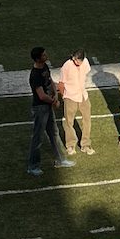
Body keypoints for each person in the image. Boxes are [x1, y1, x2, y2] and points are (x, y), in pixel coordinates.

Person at [28, 46, 74, 176]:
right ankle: (33, 165)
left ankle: (59, 160)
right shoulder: (35, 75)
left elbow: (50, 81)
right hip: (40, 108)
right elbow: (41, 95)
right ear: (37, 59)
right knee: (37, 137)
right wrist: (54, 101)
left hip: (47, 105)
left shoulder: (44, 67)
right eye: (43, 55)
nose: (46, 55)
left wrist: (56, 94)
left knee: (54, 132)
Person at [56, 47, 94, 155]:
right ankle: (70, 145)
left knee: (87, 121)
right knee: (69, 123)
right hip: (71, 97)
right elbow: (60, 84)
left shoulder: (85, 62)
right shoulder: (66, 67)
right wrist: (65, 97)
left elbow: (84, 73)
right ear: (73, 58)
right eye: (77, 61)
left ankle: (85, 144)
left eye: (81, 61)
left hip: (83, 96)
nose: (79, 63)